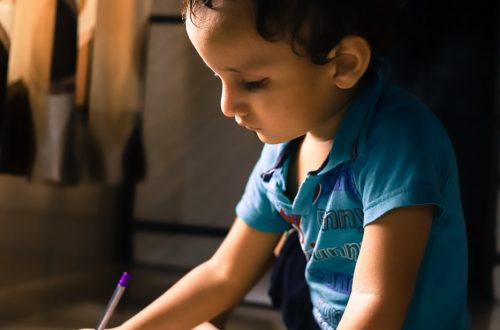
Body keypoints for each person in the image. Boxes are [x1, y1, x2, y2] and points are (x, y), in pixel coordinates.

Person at [84, 0, 469, 328]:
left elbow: (376, 300)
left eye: (252, 82)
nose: (227, 105)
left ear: (344, 64)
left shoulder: (400, 143)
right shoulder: (286, 147)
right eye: (218, 77)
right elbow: (224, 273)